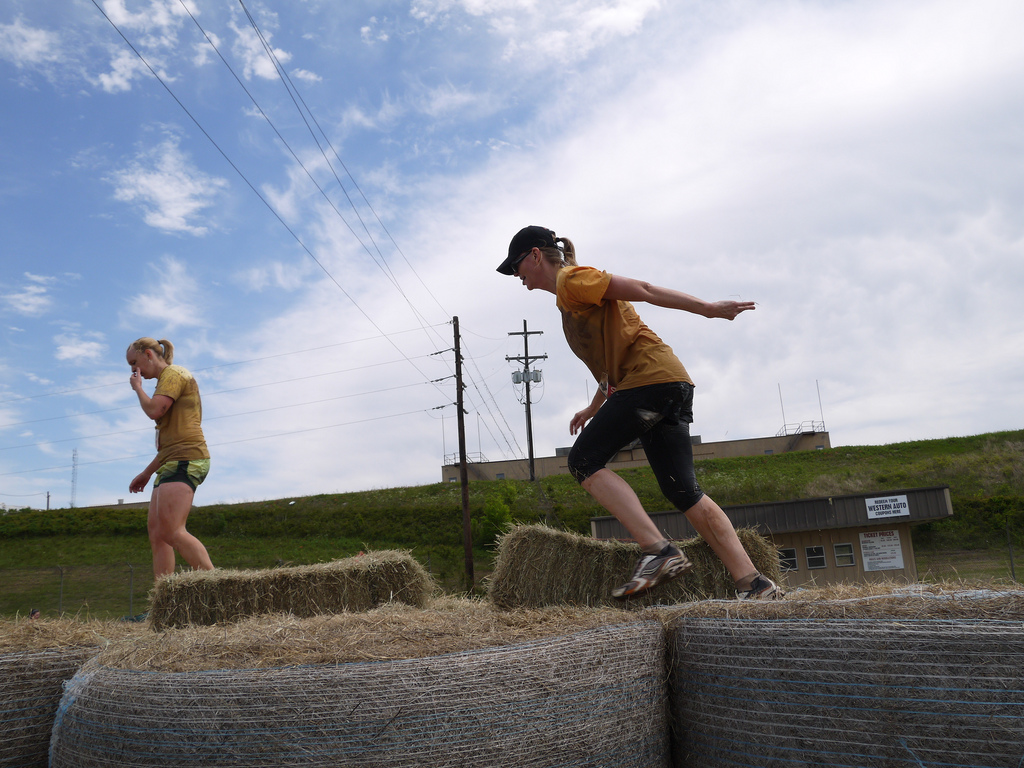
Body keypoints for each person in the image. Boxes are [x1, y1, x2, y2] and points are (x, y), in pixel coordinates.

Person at [497, 226, 782, 600]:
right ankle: (753, 583)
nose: (517, 276)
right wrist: (593, 408)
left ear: (535, 256)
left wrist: (709, 310)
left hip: (650, 382)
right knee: (684, 491)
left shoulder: (572, 280)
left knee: (584, 460)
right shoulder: (570, 299)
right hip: (668, 383)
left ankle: (659, 551)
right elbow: (611, 369)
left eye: (517, 266)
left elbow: (644, 290)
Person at [127, 337, 214, 581]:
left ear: (148, 354)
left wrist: (137, 388)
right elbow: (167, 445)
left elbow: (154, 410)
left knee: (171, 530)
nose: (134, 370)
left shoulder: (175, 374)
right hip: (172, 460)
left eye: (134, 363)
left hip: (188, 458)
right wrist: (146, 473)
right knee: (157, 533)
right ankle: (163, 601)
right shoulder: (165, 382)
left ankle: (220, 590)